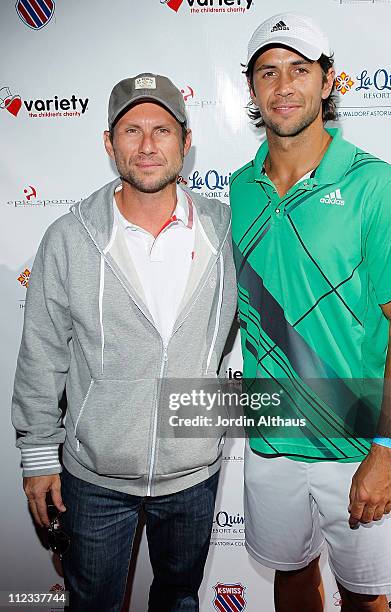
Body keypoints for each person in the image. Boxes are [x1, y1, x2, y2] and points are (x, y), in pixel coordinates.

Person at [12, 72, 237, 612]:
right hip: (93, 478)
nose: (147, 145)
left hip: (194, 473)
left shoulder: (227, 231)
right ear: (109, 144)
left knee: (179, 599)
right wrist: (37, 454)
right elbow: (42, 352)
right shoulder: (70, 237)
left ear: (186, 142)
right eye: (131, 130)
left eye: (161, 129)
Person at [229, 12, 391, 612]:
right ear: (251, 89)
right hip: (270, 437)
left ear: (328, 82)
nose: (283, 86)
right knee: (291, 577)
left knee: (365, 597)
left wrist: (389, 448)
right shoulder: (238, 189)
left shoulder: (376, 184)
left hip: (357, 444)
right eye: (268, 72)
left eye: (300, 70)